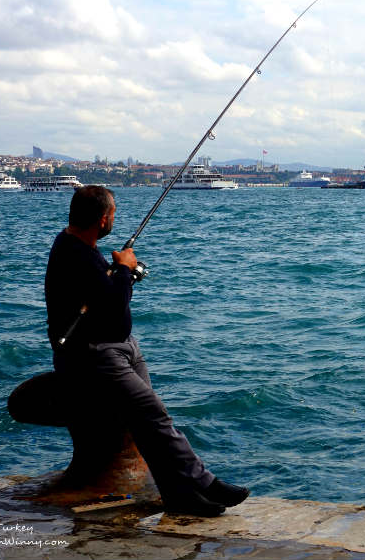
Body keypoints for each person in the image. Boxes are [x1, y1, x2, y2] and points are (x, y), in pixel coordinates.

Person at [45, 185, 248, 516]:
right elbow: (114, 315)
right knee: (153, 414)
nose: (114, 219)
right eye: (112, 215)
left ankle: (179, 496)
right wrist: (125, 269)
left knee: (146, 422)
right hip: (94, 354)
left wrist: (117, 277)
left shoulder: (77, 246)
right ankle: (205, 482)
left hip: (119, 347)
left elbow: (101, 301)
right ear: (103, 219)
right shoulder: (77, 253)